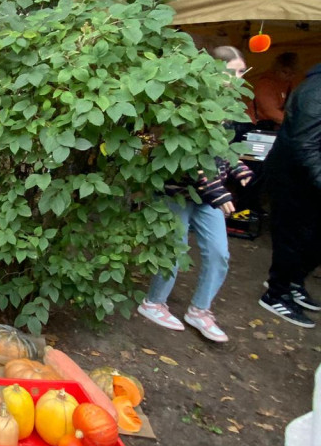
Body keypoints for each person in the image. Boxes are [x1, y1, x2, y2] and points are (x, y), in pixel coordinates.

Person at [138, 46, 253, 343]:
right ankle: (154, 302)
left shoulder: (226, 110)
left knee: (219, 252)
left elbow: (220, 151)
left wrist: (239, 169)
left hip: (208, 197)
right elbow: (190, 158)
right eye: (234, 72)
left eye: (242, 71)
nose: (239, 78)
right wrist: (218, 191)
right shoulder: (188, 106)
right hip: (176, 193)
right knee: (173, 250)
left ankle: (200, 310)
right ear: (211, 71)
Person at [258, 60, 321, 328]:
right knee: (292, 236)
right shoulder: (315, 91)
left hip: (306, 176)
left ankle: (293, 282)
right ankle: (276, 294)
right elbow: (304, 143)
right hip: (293, 178)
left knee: (311, 237)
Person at [251, 51, 300, 130]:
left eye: (293, 73)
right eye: (285, 72)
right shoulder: (265, 85)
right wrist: (294, 124)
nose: (289, 76)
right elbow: (269, 111)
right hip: (255, 124)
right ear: (276, 70)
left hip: (273, 124)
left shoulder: (290, 85)